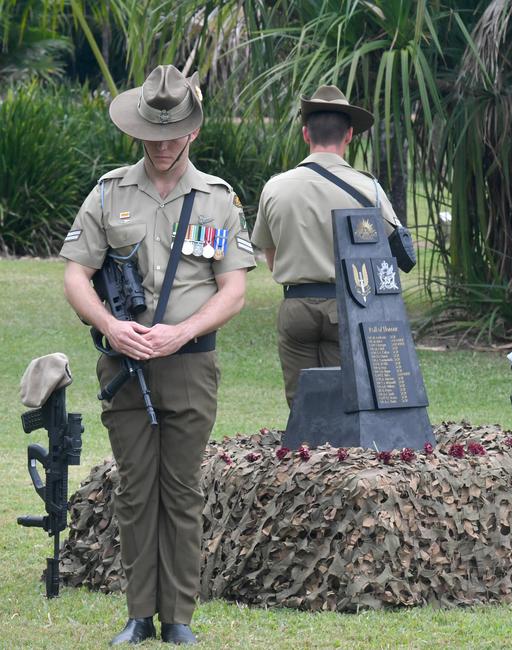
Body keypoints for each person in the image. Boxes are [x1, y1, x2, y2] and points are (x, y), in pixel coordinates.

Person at [60, 65, 255, 645]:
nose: (163, 145)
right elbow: (76, 274)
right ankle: (139, 613)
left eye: (174, 134)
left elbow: (235, 290)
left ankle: (179, 619)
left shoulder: (217, 200)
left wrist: (180, 332)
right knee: (135, 488)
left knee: (184, 490)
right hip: (124, 367)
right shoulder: (109, 192)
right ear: (137, 130)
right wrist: (110, 327)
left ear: (191, 132)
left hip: (191, 364)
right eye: (153, 133)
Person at [251, 85, 399, 407]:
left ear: (306, 134)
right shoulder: (369, 190)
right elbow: (390, 252)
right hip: (348, 306)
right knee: (346, 404)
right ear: (348, 135)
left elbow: (271, 258)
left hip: (296, 309)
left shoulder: (275, 187)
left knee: (303, 405)